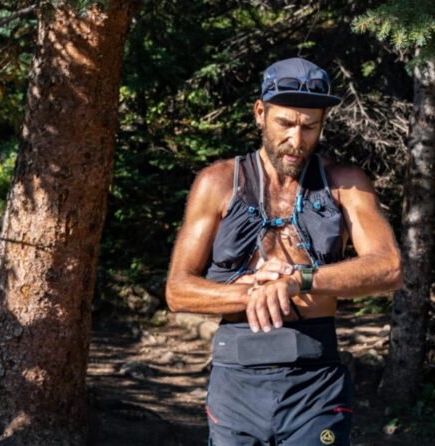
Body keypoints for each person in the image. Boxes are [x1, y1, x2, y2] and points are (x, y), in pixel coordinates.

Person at [166, 57, 403, 446]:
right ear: (260, 112)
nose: (297, 141)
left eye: (310, 126)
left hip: (315, 382)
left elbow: (389, 267)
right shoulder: (218, 183)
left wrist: (299, 280)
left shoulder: (345, 183)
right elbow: (177, 291)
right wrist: (250, 293)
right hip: (236, 383)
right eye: (286, 124)